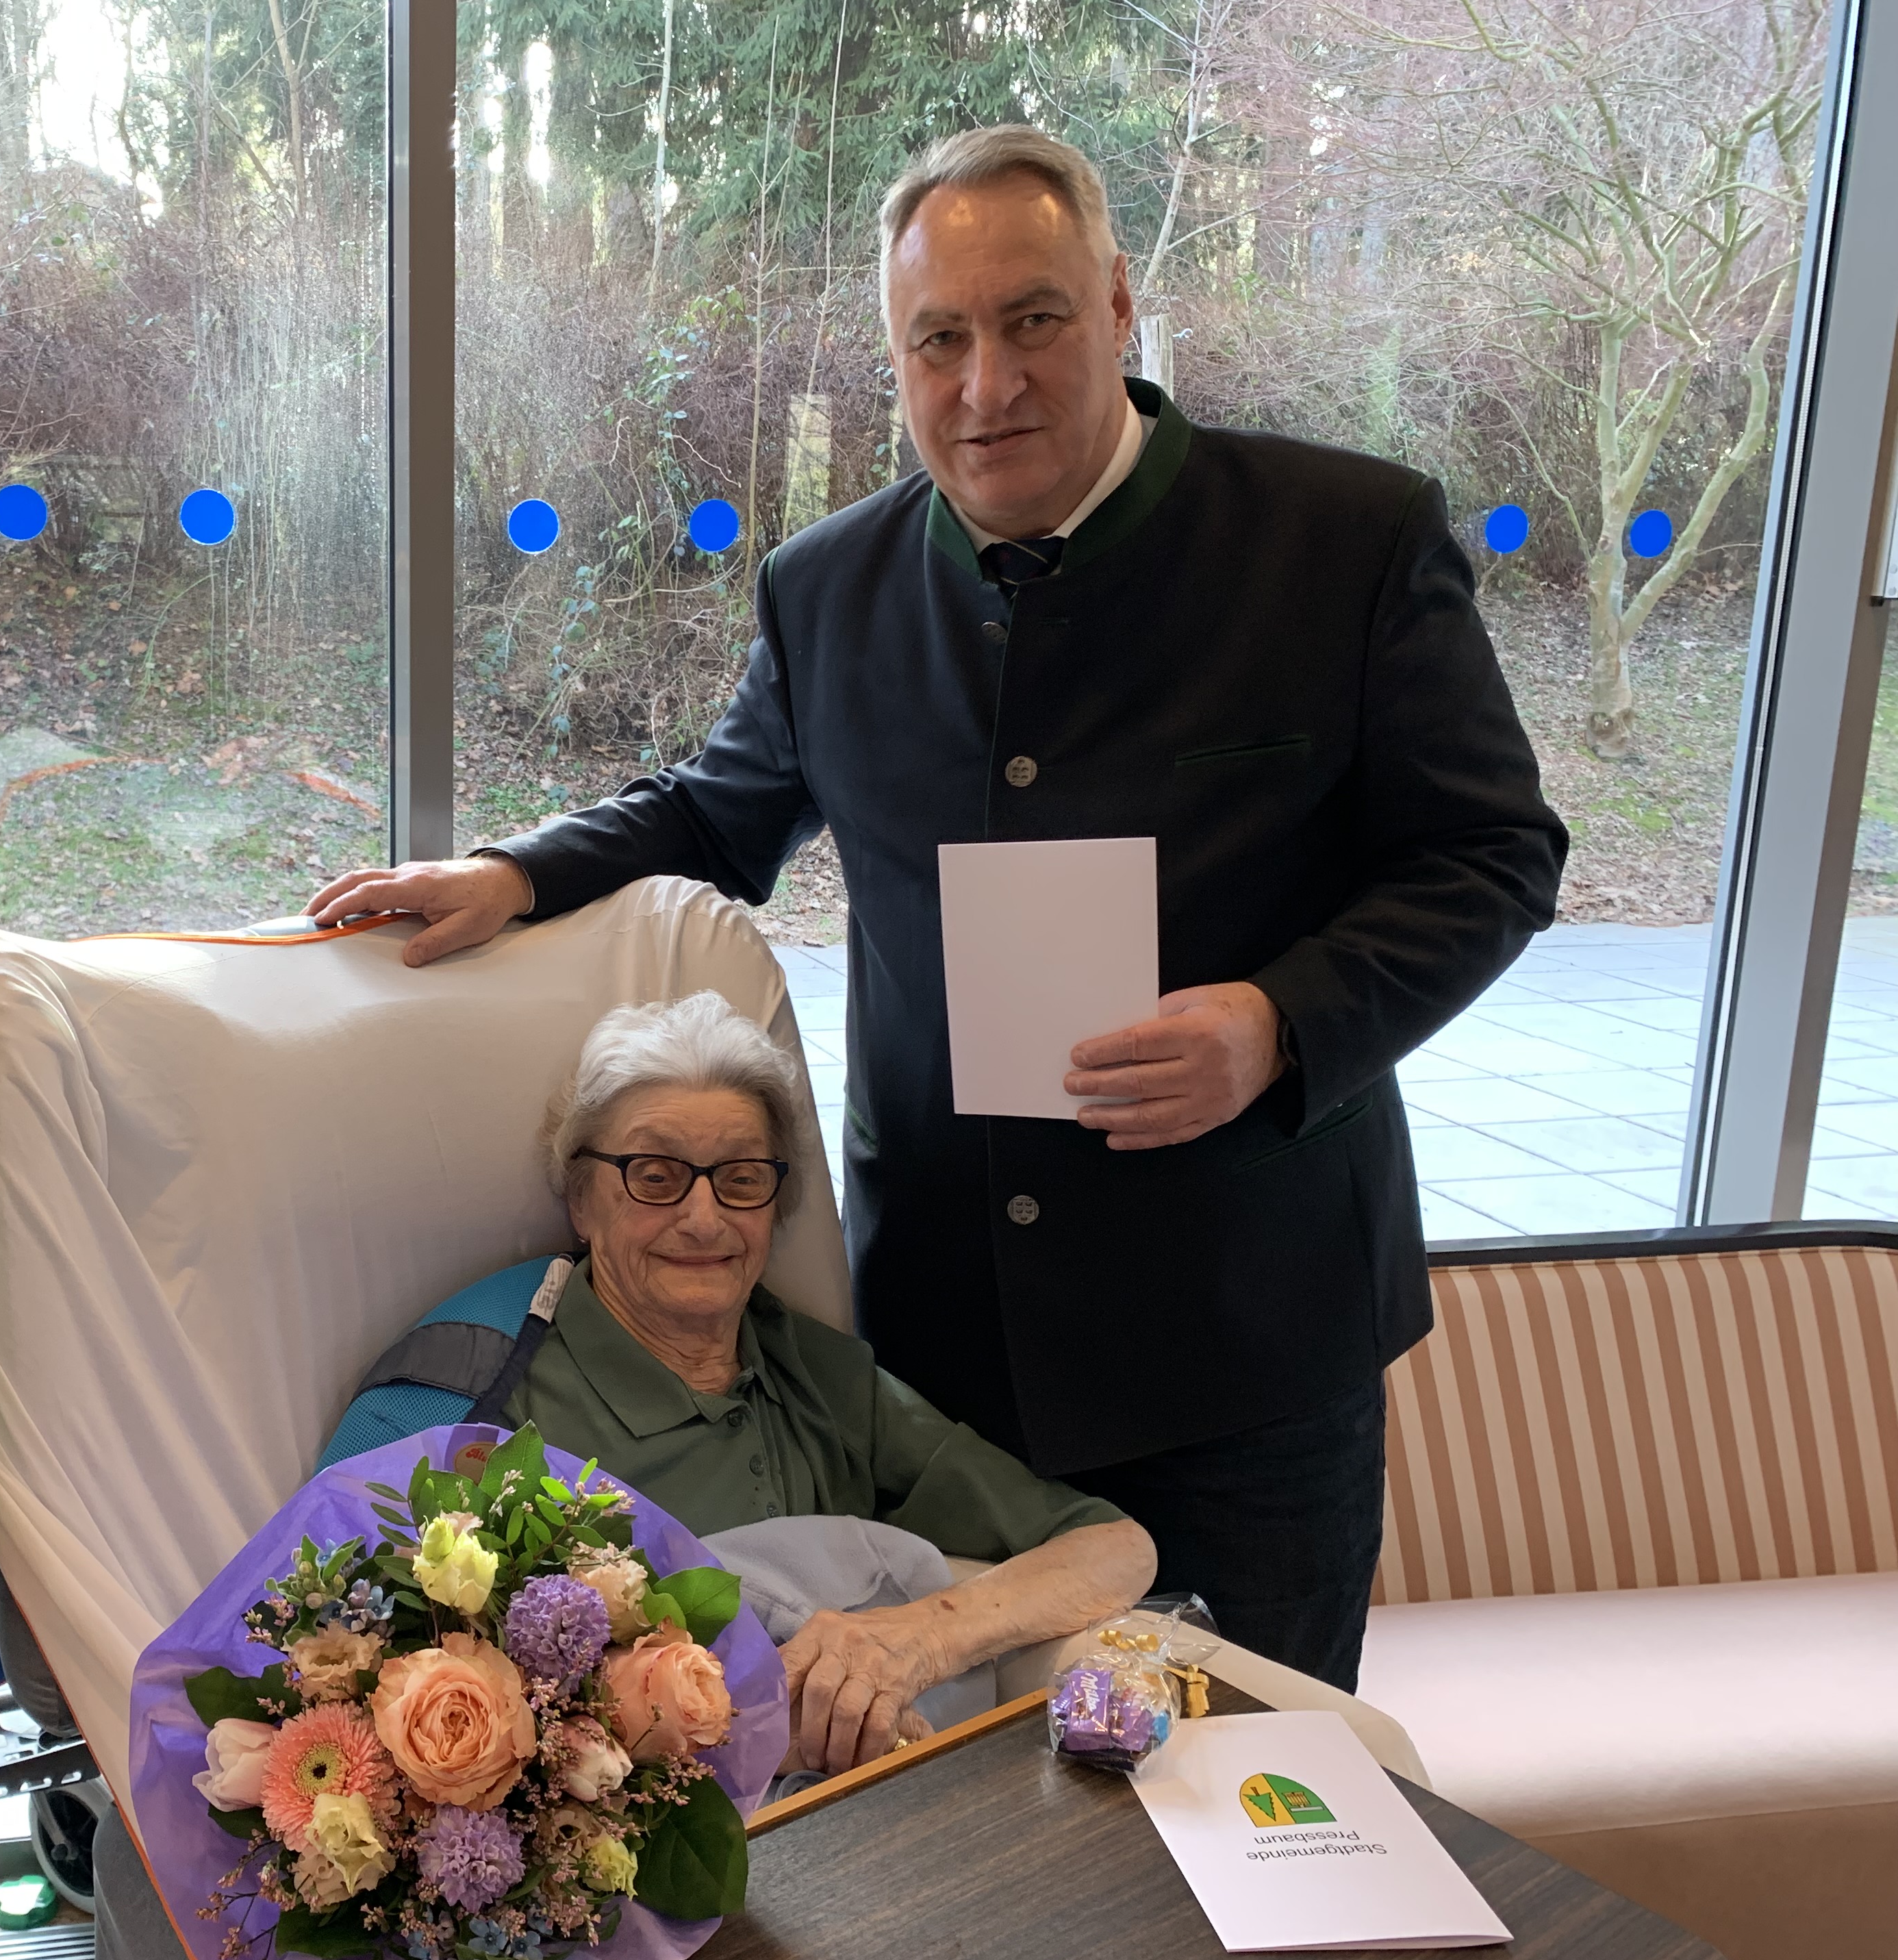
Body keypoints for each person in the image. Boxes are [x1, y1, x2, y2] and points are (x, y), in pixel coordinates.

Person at [313, 124, 1568, 1692]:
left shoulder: (1344, 542)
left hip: (1245, 1348)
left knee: (1250, 1771)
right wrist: (512, 873)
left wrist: (1278, 1024)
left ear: (1120, 304)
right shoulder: (825, 587)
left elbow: (1493, 853)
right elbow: (718, 807)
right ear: (897, 357)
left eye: (1035, 320)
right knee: (957, 1798)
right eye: (940, 340)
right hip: (943, 1365)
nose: (989, 384)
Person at [339, 994, 1157, 1777]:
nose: (704, 1218)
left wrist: (915, 1641)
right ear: (580, 1198)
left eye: (740, 1178)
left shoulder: (819, 1377)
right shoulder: (468, 1401)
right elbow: (344, 1687)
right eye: (655, 1175)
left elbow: (1114, 1548)